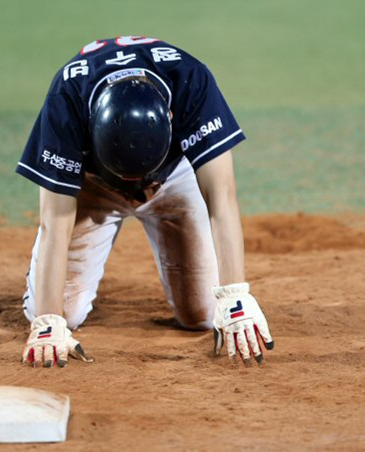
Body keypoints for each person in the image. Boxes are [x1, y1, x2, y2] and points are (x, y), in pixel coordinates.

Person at [16, 35, 274, 368]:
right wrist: (47, 320)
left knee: (204, 314)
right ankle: (38, 291)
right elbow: (55, 221)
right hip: (95, 187)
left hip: (172, 180)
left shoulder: (191, 82)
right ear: (90, 128)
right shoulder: (66, 103)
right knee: (63, 314)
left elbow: (221, 198)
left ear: (170, 116)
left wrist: (235, 295)